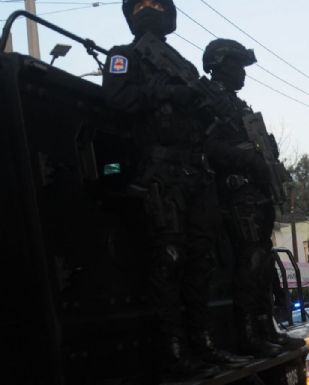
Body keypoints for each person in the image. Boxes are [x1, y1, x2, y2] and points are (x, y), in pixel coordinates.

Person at [102, 0, 250, 378]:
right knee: (169, 261)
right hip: (161, 172)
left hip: (195, 173)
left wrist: (201, 104)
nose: (149, 9)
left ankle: (203, 344)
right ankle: (175, 353)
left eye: (156, 3)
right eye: (142, 4)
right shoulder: (124, 57)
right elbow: (117, 99)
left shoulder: (181, 64)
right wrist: (166, 94)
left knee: (200, 262)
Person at [202, 38, 302, 357]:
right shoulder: (210, 100)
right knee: (250, 265)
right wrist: (245, 160)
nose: (243, 73)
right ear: (221, 65)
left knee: (261, 267)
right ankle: (248, 333)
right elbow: (207, 147)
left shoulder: (235, 104)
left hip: (255, 197)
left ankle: (265, 327)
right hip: (236, 196)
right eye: (237, 66)